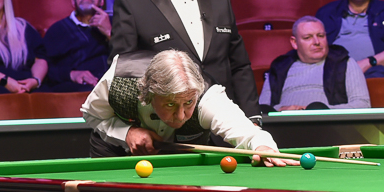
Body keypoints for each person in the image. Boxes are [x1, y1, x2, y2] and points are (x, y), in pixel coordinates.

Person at [108, 0, 260, 119]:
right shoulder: (132, 3)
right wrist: (135, 125)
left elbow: (239, 65)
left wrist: (252, 116)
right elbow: (123, 74)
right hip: (168, 122)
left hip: (224, 119)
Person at [84, 49, 288, 164]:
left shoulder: (207, 97)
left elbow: (246, 131)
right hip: (114, 155)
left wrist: (263, 147)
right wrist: (127, 132)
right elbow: (92, 114)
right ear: (149, 95)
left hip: (179, 164)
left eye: (188, 103)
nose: (181, 115)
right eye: (170, 104)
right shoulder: (119, 79)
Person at [262, 17, 370, 111]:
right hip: (283, 123)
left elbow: (363, 105)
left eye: (321, 36)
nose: (316, 42)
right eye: (307, 38)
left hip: (328, 123)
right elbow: (262, 108)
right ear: (294, 43)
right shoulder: (279, 67)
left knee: (316, 108)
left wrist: (322, 111)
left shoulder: (344, 62)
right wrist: (280, 110)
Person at [43, 0, 110, 91]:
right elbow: (46, 69)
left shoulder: (117, 24)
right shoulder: (57, 30)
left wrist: (109, 33)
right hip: (76, 89)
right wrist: (72, 74)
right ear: (73, 1)